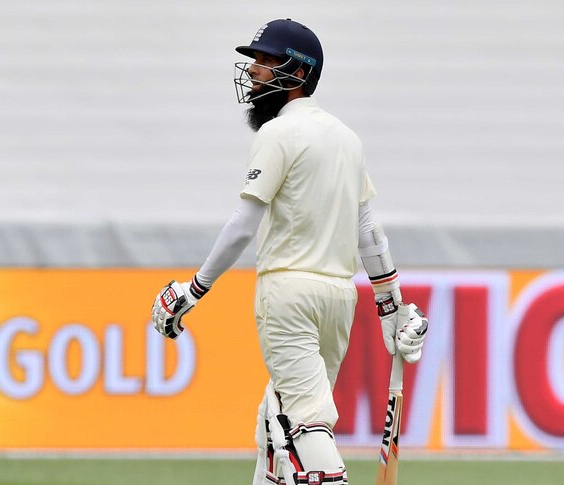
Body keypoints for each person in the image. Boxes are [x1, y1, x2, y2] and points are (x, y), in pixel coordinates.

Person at [151, 18, 428, 485]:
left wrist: (192, 291)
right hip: (339, 299)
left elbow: (243, 225)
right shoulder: (347, 138)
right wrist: (392, 308)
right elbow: (367, 229)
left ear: (298, 75)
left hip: (287, 296)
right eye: (255, 61)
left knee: (306, 421)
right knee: (276, 417)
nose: (255, 71)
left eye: (266, 61)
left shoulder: (277, 134)